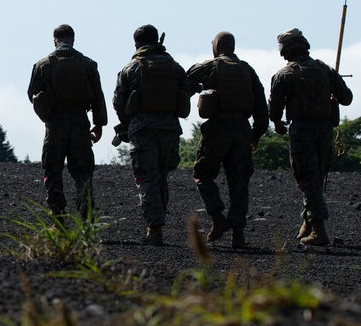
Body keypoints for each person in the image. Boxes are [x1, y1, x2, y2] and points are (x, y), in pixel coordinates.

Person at [268, 28, 354, 246]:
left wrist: (278, 124)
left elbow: (274, 112)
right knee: (317, 178)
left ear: (285, 50)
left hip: (301, 131)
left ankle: (319, 230)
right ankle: (307, 223)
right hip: (325, 130)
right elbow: (347, 98)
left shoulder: (283, 75)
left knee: (306, 178)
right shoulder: (325, 70)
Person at [186, 31, 269, 249]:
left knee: (202, 174)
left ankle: (217, 217)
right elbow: (261, 107)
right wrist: (256, 135)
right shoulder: (248, 70)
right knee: (239, 183)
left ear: (216, 47)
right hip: (243, 130)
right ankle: (238, 235)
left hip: (217, 128)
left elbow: (185, 81)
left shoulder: (210, 67)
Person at [112, 25, 190, 246]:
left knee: (147, 178)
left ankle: (154, 230)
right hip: (170, 129)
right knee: (161, 177)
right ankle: (158, 221)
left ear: (136, 43)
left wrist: (128, 124)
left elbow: (118, 101)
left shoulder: (131, 68)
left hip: (142, 130)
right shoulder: (175, 67)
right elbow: (185, 94)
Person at [27, 24, 108, 220]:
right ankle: (86, 218)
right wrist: (98, 124)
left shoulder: (43, 65)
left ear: (55, 40)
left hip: (55, 125)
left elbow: (32, 95)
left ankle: (58, 218)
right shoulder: (88, 64)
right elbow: (98, 96)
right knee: (83, 173)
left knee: (53, 172)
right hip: (81, 123)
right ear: (73, 39)